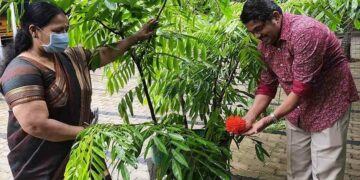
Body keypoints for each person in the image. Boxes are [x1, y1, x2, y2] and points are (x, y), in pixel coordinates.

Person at [0, 2, 156, 179]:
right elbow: (36, 124)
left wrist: (134, 38)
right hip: (45, 166)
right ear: (34, 30)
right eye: (57, 31)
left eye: (66, 30)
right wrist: (86, 132)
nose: (64, 36)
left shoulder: (68, 57)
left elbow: (103, 54)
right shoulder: (21, 71)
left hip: (83, 154)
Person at [239, 0, 359, 179]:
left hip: (329, 104)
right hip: (296, 108)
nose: (257, 36)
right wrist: (249, 118)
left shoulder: (306, 32)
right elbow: (267, 85)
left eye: (259, 29)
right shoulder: (265, 44)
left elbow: (302, 87)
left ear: (276, 17)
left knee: (326, 171)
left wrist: (269, 119)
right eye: (252, 32)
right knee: (297, 171)